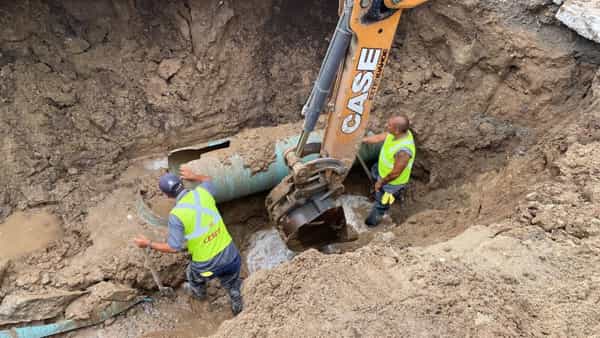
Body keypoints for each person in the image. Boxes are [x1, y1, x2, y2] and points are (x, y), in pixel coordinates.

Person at [133, 166, 243, 315]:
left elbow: (174, 247)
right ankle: (238, 306)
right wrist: (195, 175)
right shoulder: (203, 193)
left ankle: (200, 297)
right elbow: (208, 179)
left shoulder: (176, 215)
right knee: (233, 284)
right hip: (232, 258)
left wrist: (148, 243)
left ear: (167, 196)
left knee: (192, 274)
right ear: (182, 183)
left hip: (207, 268)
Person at [362, 115, 416, 227]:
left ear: (397, 130)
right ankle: (376, 191)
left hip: (391, 183)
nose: (387, 126)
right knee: (374, 172)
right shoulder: (397, 134)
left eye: (389, 125)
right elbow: (380, 137)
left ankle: (371, 223)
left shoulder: (403, 151)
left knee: (381, 203)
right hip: (381, 170)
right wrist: (363, 140)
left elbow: (395, 173)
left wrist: (380, 182)